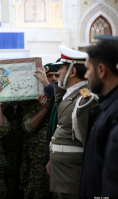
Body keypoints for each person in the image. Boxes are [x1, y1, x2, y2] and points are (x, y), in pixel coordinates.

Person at [49, 45, 98, 199]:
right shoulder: (71, 95)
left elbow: (89, 144)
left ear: (73, 71)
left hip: (73, 174)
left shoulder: (85, 100)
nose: (58, 73)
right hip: (64, 172)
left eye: (61, 68)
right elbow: (61, 113)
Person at [80, 36, 118, 198]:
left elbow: (112, 179)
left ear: (102, 70)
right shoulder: (105, 106)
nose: (86, 76)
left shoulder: (114, 112)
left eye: (88, 69)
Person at [20, 63, 59, 199]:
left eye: (56, 75)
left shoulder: (65, 98)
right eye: (49, 76)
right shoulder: (34, 100)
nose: (53, 79)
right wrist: (44, 109)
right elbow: (27, 127)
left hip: (59, 160)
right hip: (38, 162)